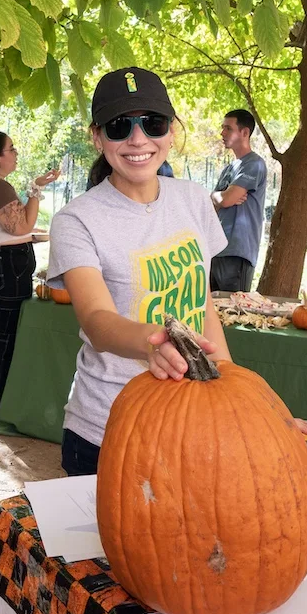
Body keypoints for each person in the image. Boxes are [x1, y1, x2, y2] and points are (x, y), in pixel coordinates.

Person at [47, 67, 232, 477]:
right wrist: (152, 344)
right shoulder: (76, 220)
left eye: (152, 123)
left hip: (189, 421)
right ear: (97, 138)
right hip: (109, 430)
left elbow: (201, 304)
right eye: (118, 127)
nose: (137, 139)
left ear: (170, 131)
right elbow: (96, 321)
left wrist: (237, 397)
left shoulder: (194, 200)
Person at [0, 131, 59, 423]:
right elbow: (22, 227)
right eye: (11, 149)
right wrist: (34, 193)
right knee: (5, 338)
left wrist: (34, 188)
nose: (15, 153)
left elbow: (16, 229)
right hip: (8, 266)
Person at [210, 109, 268, 293]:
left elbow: (227, 200)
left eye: (228, 128)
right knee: (211, 315)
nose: (222, 133)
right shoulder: (229, 169)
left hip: (237, 254)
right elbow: (211, 206)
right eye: (222, 128)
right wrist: (216, 196)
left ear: (245, 133)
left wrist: (220, 196)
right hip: (216, 251)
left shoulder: (254, 164)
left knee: (234, 313)